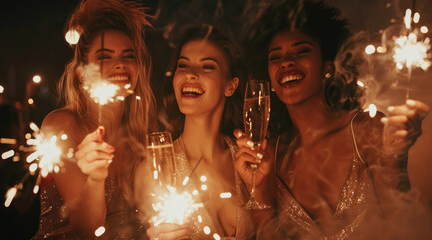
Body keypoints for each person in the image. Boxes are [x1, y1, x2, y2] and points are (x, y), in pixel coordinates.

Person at [233, 0, 431, 239]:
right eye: (276, 57)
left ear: (328, 66)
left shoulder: (368, 130)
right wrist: (260, 188)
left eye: (301, 51)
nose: (286, 62)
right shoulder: (270, 155)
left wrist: (394, 158)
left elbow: (404, 225)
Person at [32, 0, 156, 238]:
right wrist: (96, 178)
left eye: (127, 56)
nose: (120, 64)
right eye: (104, 57)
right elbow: (87, 229)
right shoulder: (61, 126)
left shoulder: (140, 139)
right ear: (81, 73)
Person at [135, 25, 255, 239]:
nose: (190, 74)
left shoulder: (248, 160)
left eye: (207, 66)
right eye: (183, 65)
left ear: (230, 86)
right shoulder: (154, 171)